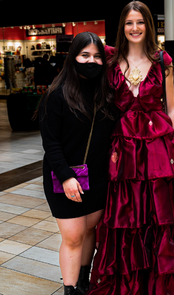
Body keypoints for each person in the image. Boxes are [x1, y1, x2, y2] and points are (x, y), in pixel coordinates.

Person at [88, 1, 174, 295]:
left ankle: (160, 278)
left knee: (160, 213)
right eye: (129, 23)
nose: (135, 28)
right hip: (122, 148)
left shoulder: (163, 61)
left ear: (149, 26)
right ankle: (129, 278)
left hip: (157, 147)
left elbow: (171, 109)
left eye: (140, 22)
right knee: (126, 213)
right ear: (122, 28)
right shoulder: (110, 62)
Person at [38, 32, 116, 295]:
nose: (91, 61)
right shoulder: (56, 95)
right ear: (73, 57)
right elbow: (51, 144)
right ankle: (70, 289)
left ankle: (84, 281)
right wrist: (65, 176)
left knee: (90, 230)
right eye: (85, 55)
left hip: (97, 178)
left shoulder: (106, 95)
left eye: (97, 56)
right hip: (64, 178)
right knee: (73, 237)